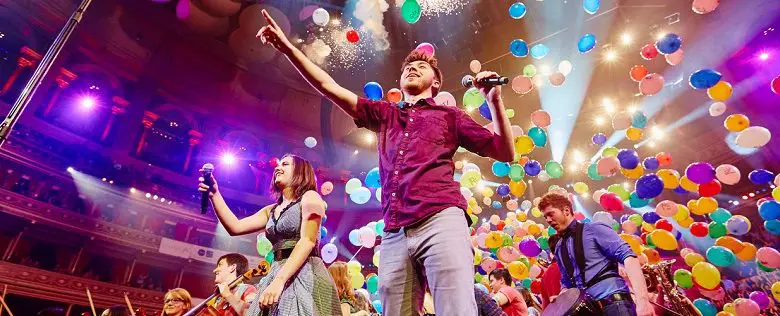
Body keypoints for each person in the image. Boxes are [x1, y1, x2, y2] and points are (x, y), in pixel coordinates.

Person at [256, 8, 514, 316]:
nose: (413, 69)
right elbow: (328, 87)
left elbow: (504, 151)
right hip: (394, 231)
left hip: (441, 218)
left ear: (436, 83)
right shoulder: (385, 114)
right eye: (408, 68)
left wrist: (493, 100)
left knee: (455, 309)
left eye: (421, 66)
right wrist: (287, 47)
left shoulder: (450, 116)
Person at [199, 154, 341, 315]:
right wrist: (214, 195)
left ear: (300, 171)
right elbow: (235, 227)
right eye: (278, 165)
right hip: (276, 269)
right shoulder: (271, 210)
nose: (277, 168)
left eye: (285, 164)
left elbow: (307, 241)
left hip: (305, 272)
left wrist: (280, 281)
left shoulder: (311, 197)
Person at [539, 193, 654, 316]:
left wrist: (643, 301)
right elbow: (566, 283)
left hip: (615, 305)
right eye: (545, 217)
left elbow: (629, 258)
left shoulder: (595, 228)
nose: (548, 220)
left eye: (551, 214)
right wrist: (562, 297)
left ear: (566, 210)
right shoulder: (558, 247)